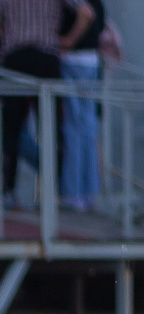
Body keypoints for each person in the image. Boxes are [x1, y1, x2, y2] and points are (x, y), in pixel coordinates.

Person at [0, 0, 94, 204]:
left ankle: (6, 191)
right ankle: (52, 191)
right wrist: (69, 40)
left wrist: (13, 33)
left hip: (14, 58)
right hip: (47, 56)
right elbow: (86, 13)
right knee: (51, 128)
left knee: (10, 129)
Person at [61, 0, 106, 210]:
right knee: (88, 129)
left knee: (73, 129)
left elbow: (85, 13)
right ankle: (90, 192)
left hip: (73, 59)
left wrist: (68, 40)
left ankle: (73, 193)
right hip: (91, 60)